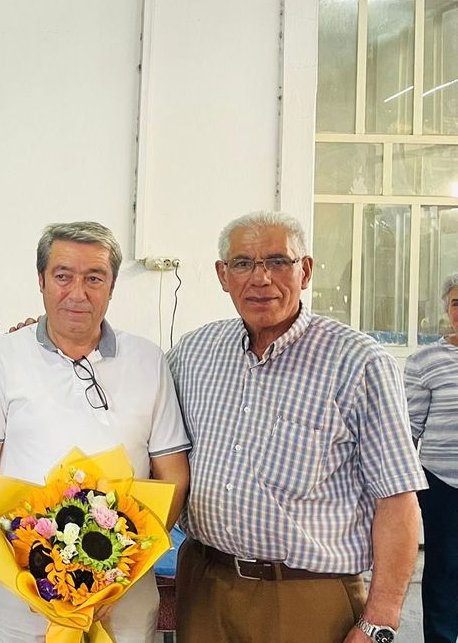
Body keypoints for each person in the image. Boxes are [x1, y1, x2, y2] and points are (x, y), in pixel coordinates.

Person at [169, 210, 426, 643]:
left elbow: (397, 500)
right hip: (205, 587)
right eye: (243, 263)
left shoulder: (358, 362)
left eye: (277, 261)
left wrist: (380, 619)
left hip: (306, 596)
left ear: (304, 270)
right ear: (222, 275)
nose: (261, 278)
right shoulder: (194, 353)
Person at [0, 221, 190, 643]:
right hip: (24, 591)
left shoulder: (148, 360)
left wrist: (125, 567)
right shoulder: (2, 356)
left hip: (122, 594)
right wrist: (28, 559)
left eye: (94, 278)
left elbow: (173, 473)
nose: (77, 293)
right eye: (63, 276)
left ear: (112, 286)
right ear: (41, 281)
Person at [404, 273, 458, 643]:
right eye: (456, 303)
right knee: (444, 568)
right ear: (446, 309)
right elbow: (409, 430)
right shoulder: (426, 361)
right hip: (442, 485)